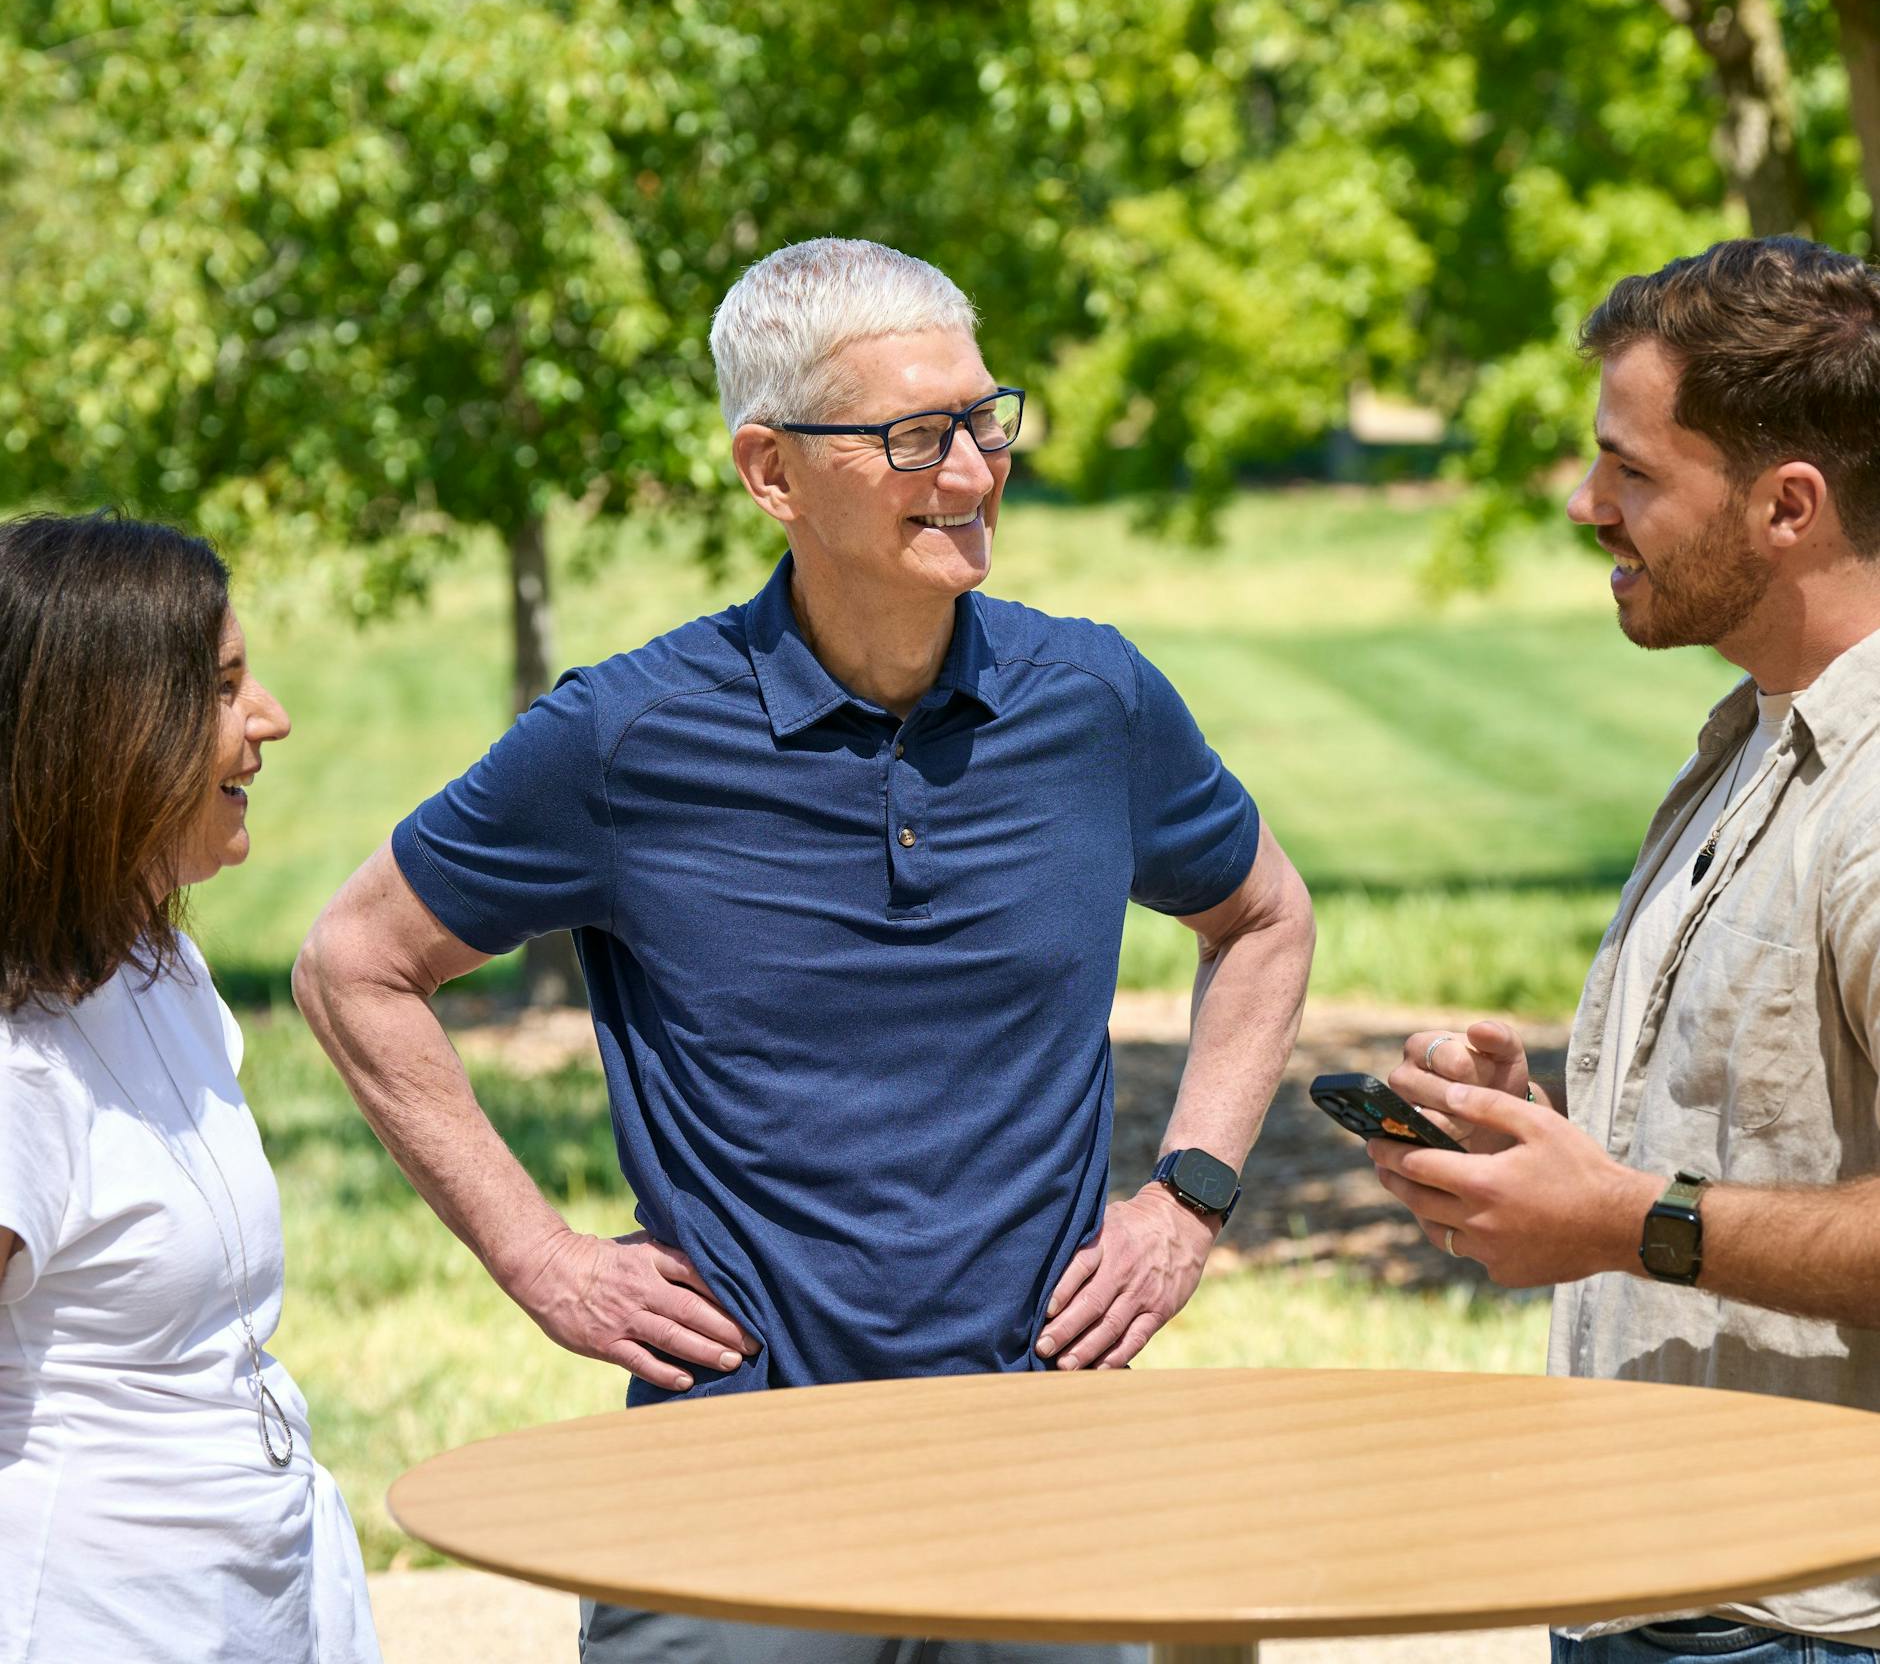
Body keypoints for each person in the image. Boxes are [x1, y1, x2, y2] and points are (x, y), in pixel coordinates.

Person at [294, 236, 1316, 1664]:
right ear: (770, 471)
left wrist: (1186, 1198)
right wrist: (540, 1259)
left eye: (984, 418)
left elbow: (1264, 916)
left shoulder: (1094, 701)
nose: (972, 472)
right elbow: (354, 963)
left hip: (1046, 1460)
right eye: (912, 437)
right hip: (729, 1487)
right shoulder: (627, 738)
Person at [1367, 236, 1880, 1664]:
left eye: (1635, 473)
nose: (1589, 509)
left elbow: (1670, 1213)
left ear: (1789, 506)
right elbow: (1766, 1143)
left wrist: (1627, 1218)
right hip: (1660, 1589)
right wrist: (1546, 1151)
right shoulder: (1753, 745)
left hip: (1808, 1626)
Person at [0, 512, 380, 1663]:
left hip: (248, 1599)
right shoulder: (18, 1067)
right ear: (106, 734)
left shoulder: (159, 964)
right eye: (223, 686)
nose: (270, 717)